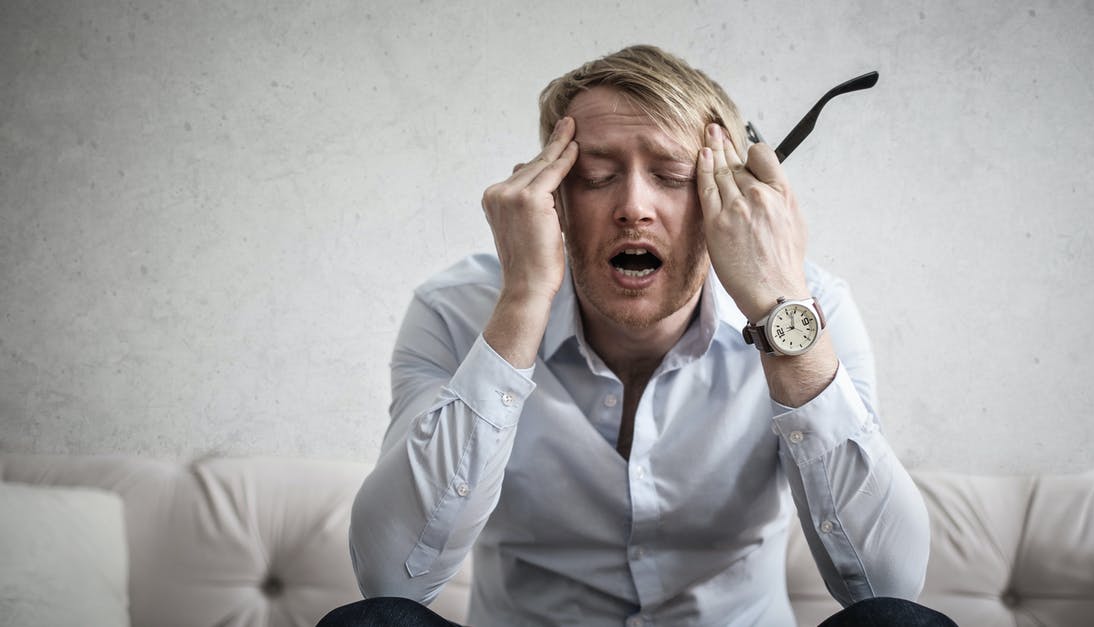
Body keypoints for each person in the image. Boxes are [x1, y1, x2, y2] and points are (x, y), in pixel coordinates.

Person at [323, 45, 955, 626]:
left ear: (729, 200)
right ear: (553, 199)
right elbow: (390, 583)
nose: (633, 207)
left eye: (675, 177)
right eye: (596, 177)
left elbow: (888, 587)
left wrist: (779, 309)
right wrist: (520, 303)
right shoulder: (453, 311)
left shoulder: (813, 312)